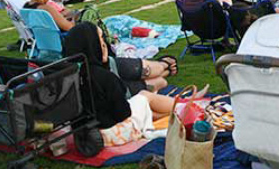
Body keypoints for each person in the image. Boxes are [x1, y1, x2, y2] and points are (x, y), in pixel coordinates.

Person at [62, 23, 193, 134]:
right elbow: (123, 113)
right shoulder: (104, 77)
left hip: (91, 131)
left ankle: (178, 112)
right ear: (91, 45)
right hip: (115, 131)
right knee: (144, 96)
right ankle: (186, 107)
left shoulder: (73, 75)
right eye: (100, 39)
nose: (104, 44)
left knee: (144, 100)